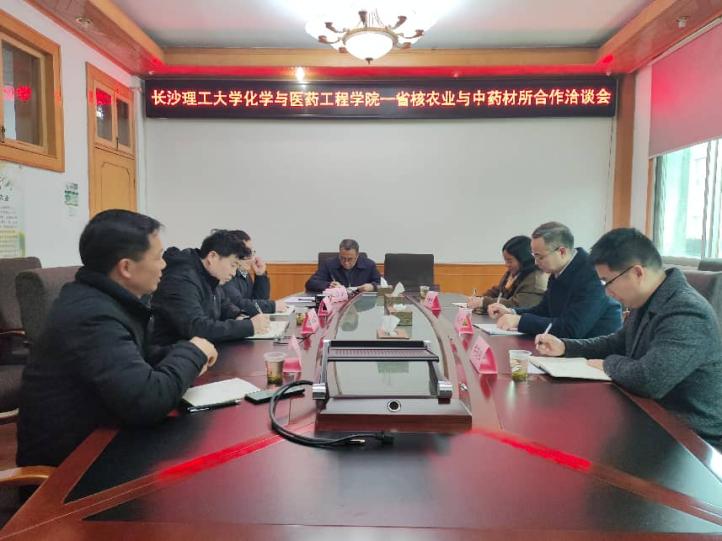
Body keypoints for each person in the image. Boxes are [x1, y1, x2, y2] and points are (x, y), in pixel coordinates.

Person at [17, 210, 217, 467]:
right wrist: (193, 352)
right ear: (126, 268)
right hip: (72, 469)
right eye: (158, 257)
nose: (164, 265)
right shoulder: (91, 316)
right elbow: (148, 400)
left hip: (107, 436)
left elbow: (135, 360)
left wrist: (184, 350)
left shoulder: (108, 301)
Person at [536, 228, 722, 448]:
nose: (606, 292)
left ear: (637, 273)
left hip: (689, 438)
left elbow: (649, 380)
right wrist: (566, 347)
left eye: (607, 281)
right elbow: (617, 342)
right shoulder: (648, 300)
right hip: (648, 415)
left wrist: (608, 364)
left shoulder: (687, 311)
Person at [488, 222, 621, 338]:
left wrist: (520, 321)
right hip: (562, 346)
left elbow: (572, 328)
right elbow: (544, 310)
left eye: (540, 257)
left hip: (592, 351)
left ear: (561, 252)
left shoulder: (592, 274)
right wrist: (512, 312)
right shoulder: (558, 270)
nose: (536, 262)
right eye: (534, 256)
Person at [151, 229, 270, 346]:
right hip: (171, 353)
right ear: (212, 257)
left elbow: (225, 306)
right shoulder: (181, 279)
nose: (234, 273)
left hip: (199, 351)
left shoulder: (210, 276)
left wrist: (240, 316)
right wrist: (248, 326)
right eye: (233, 265)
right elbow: (197, 328)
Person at [467, 235, 547, 314]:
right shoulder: (513, 273)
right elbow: (498, 291)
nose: (506, 264)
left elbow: (517, 305)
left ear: (523, 259)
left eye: (509, 261)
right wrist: (479, 299)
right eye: (505, 260)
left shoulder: (535, 280)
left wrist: (484, 302)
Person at [221, 230, 288, 315]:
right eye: (246, 253)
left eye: (251, 252)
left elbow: (259, 300)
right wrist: (272, 306)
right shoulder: (225, 275)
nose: (252, 258)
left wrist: (260, 275)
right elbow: (238, 304)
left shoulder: (243, 271)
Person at [305, 239, 381, 292]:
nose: (346, 262)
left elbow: (380, 285)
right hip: (335, 304)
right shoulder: (329, 264)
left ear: (357, 255)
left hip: (361, 305)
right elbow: (310, 283)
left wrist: (372, 287)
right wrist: (329, 285)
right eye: (342, 258)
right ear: (339, 254)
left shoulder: (369, 265)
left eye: (350, 259)